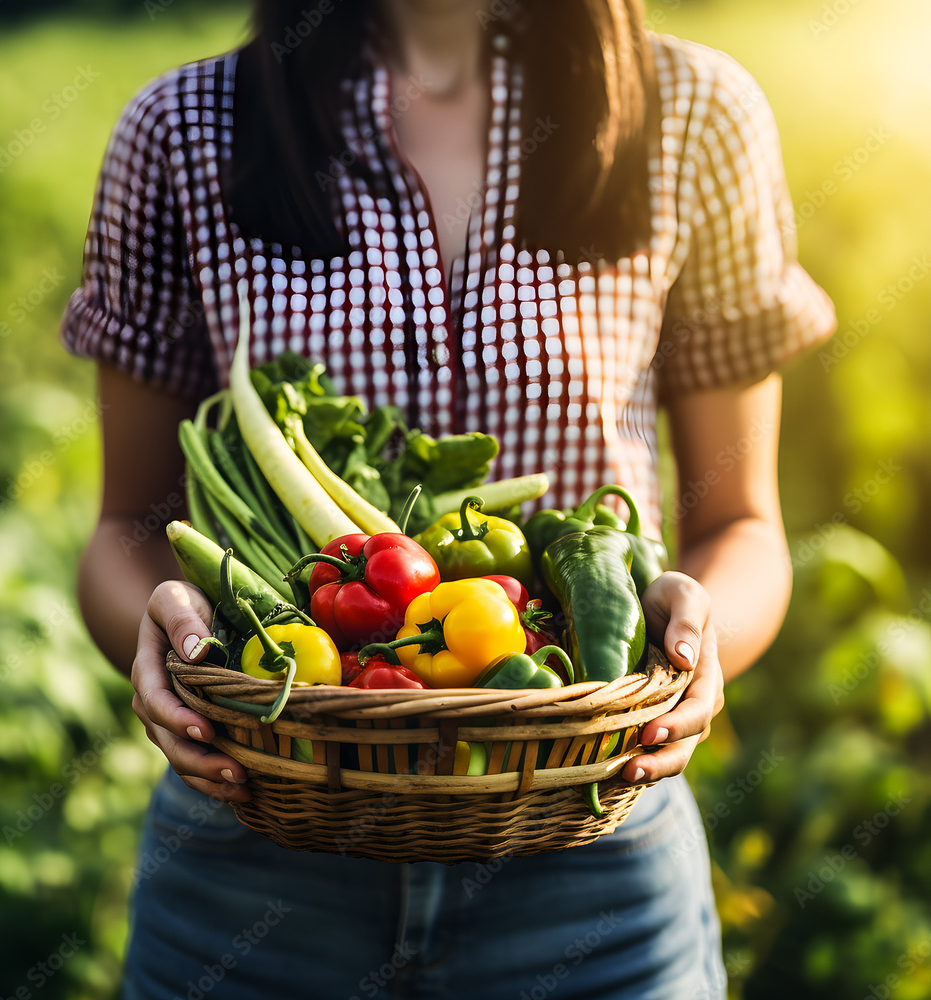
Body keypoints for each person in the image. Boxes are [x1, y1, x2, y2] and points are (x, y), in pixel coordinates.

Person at [61, 1, 835, 996]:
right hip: (256, 857)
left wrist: (695, 643)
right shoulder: (187, 127)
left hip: (591, 863)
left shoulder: (694, 112)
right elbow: (124, 527)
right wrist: (163, 635)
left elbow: (743, 526)